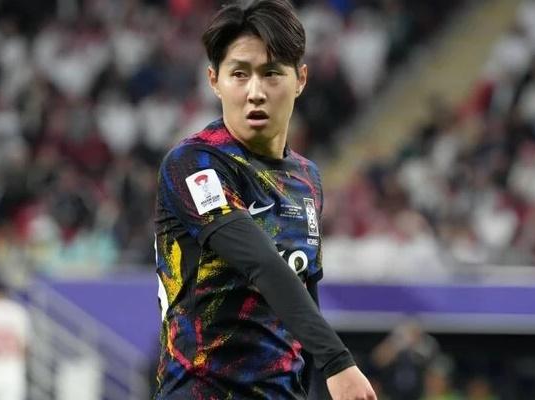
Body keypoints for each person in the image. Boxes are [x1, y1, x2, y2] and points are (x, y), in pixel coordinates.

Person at [153, 1, 377, 399]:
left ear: (300, 79)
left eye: (272, 73)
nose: (255, 92)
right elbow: (261, 262)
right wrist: (338, 361)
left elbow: (304, 296)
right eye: (239, 74)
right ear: (214, 80)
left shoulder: (307, 179)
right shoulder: (193, 164)